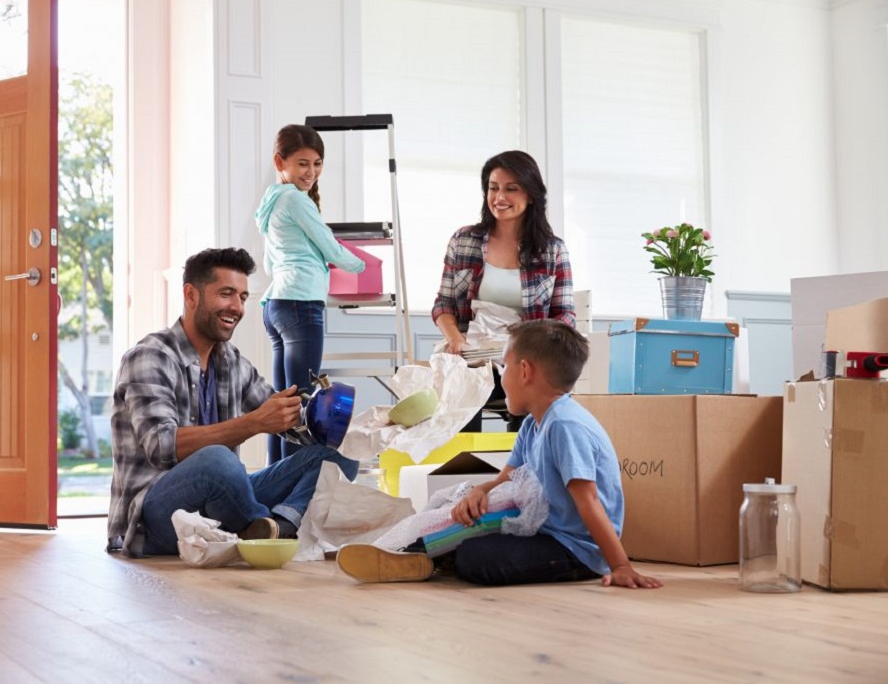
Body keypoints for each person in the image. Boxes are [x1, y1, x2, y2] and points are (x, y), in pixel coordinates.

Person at [336, 319, 662, 589]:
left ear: (525, 371)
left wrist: (620, 566)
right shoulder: (534, 424)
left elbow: (588, 502)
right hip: (545, 531)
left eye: (503, 366)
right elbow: (505, 478)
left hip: (576, 550)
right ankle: (409, 552)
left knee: (476, 557)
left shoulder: (565, 425)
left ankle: (418, 557)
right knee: (461, 520)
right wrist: (480, 491)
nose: (500, 376)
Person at [107, 247, 359, 558]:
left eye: (242, 297)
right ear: (191, 295)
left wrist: (332, 420)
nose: (237, 307)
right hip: (152, 520)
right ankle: (260, 528)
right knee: (218, 460)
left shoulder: (230, 360)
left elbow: (281, 416)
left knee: (339, 454)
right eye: (226, 294)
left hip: (218, 505)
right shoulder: (150, 357)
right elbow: (161, 446)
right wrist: (254, 423)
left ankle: (278, 526)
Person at [431, 150, 575, 431]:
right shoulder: (464, 240)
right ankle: (462, 458)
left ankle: (524, 457)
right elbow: (443, 304)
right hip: (471, 356)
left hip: (525, 358)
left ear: (530, 195)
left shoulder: (552, 250)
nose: (499, 197)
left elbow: (565, 315)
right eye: (493, 188)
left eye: (511, 189)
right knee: (459, 385)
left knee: (531, 386)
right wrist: (455, 339)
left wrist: (533, 347)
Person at [255, 124, 366, 464]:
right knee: (302, 405)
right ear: (280, 162)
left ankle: (274, 480)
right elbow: (331, 248)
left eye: (317, 164)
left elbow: (269, 263)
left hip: (276, 304)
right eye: (302, 163)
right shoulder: (296, 200)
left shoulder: (272, 200)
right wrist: (361, 264)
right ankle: (292, 485)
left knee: (283, 405)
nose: (311, 172)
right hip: (300, 304)